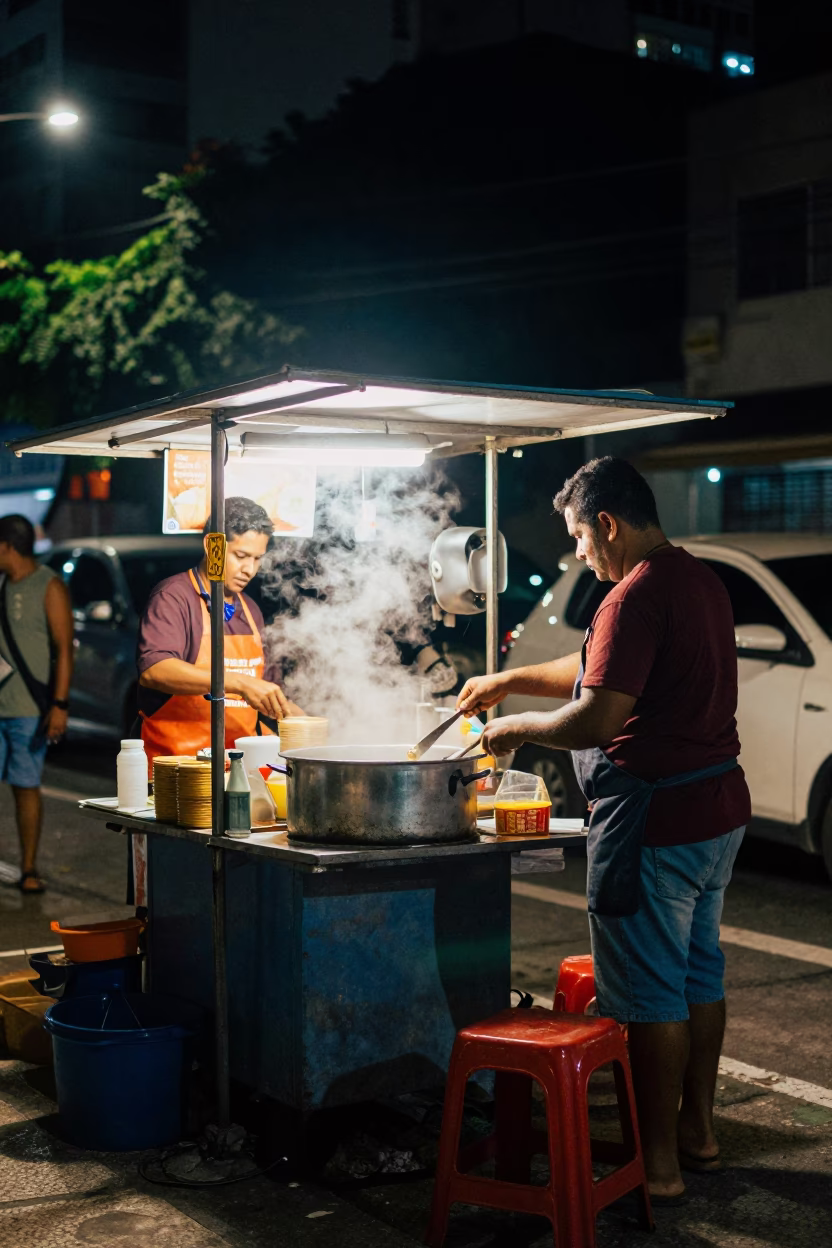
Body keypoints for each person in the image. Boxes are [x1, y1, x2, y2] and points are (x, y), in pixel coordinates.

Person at [457, 457, 751, 1204]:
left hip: (654, 822)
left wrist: (510, 728)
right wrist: (508, 680)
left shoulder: (634, 596)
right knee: (697, 976)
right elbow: (600, 666)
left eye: (581, 540)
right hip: (717, 818)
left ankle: (657, 1169)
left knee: (650, 997)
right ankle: (698, 1134)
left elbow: (599, 715)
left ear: (607, 524)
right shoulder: (698, 580)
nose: (581, 554)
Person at [138, 496, 305, 764]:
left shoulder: (250, 609)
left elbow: (267, 690)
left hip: (242, 768)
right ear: (213, 546)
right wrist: (239, 682)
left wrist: (307, 725)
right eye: (240, 556)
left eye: (257, 558)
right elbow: (154, 670)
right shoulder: (175, 596)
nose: (249, 569)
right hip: (180, 765)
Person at [0, 514, 74, 894]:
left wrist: (59, 704)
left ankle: (28, 868)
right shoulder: (0, 585)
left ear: (7, 546)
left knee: (26, 786)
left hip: (28, 708)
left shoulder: (49, 586)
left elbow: (64, 651)